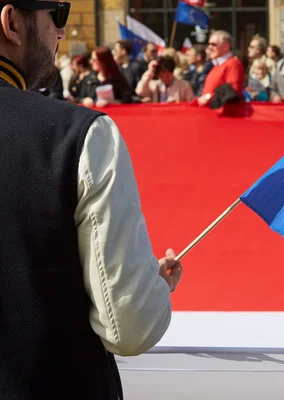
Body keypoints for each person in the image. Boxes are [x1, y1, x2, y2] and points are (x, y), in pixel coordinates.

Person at [0, 1, 182, 398]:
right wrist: (156, 287)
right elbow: (129, 327)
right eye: (57, 15)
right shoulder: (80, 133)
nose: (61, 32)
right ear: (11, 23)